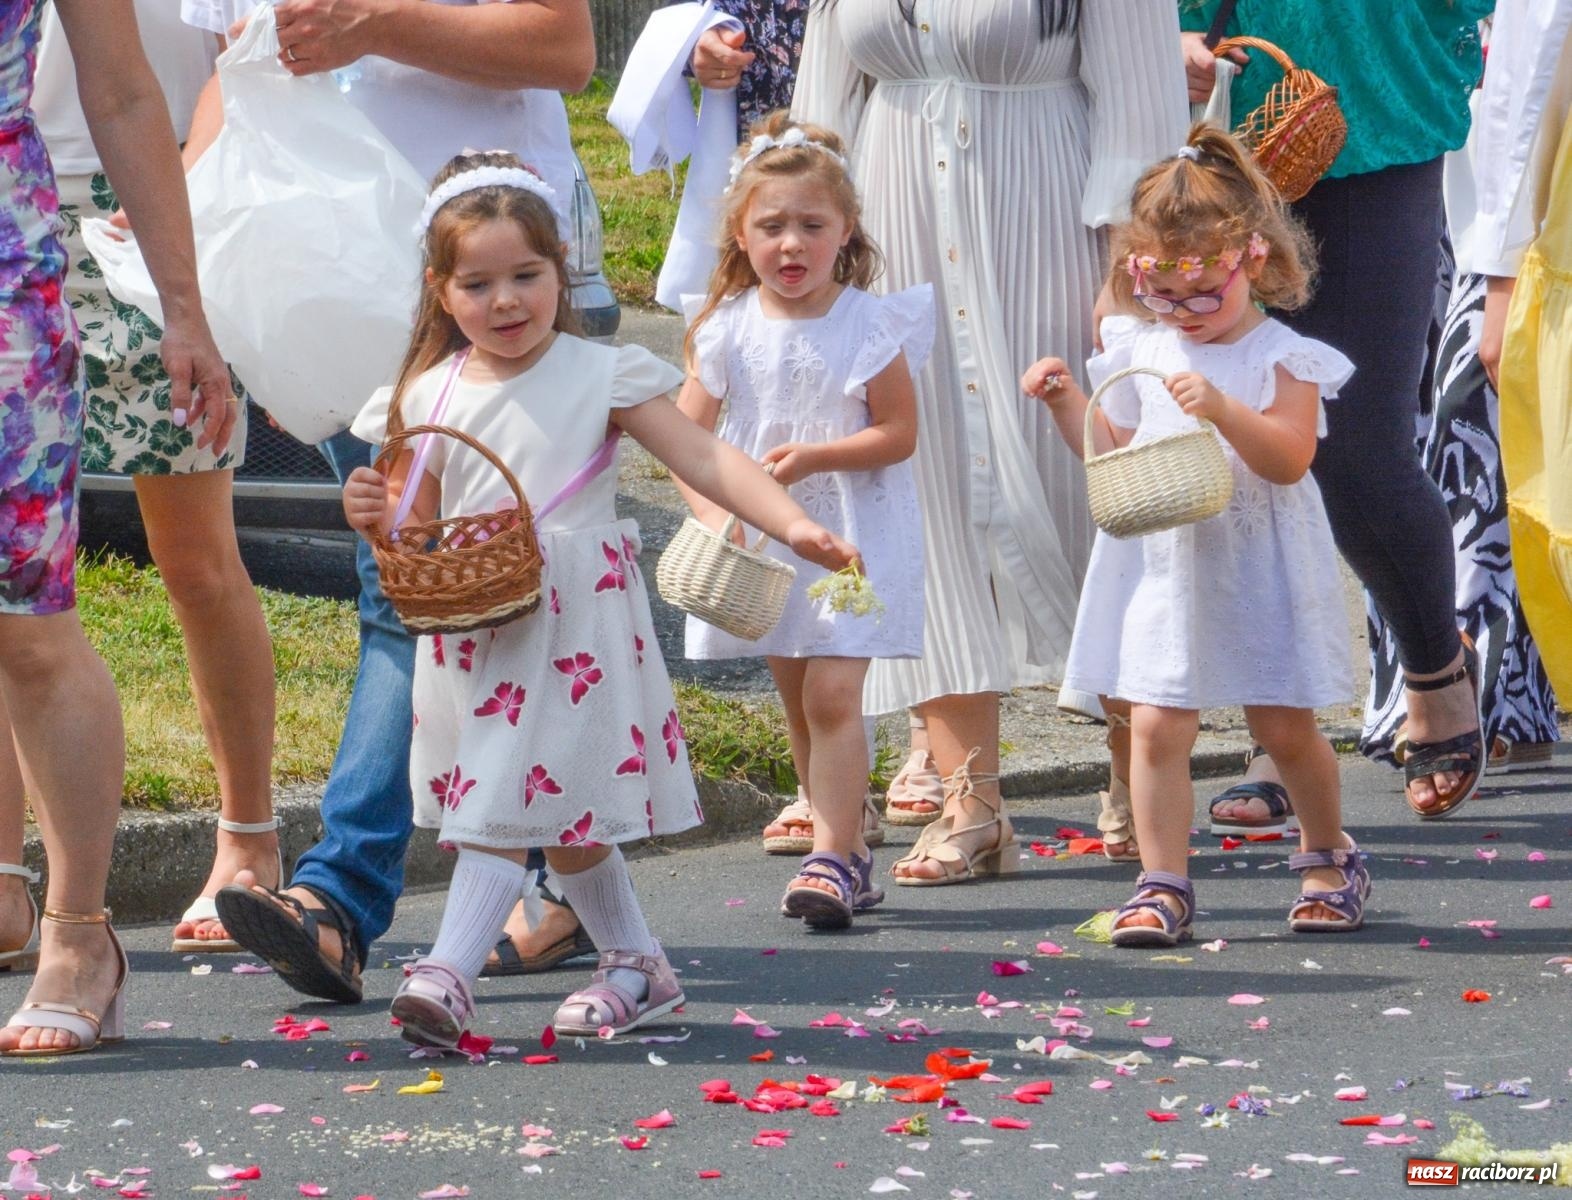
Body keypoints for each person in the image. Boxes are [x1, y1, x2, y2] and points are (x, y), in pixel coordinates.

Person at [336, 153, 857, 1044]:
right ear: (441, 289)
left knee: (500, 799)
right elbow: (415, 523)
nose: (506, 300)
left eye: (526, 276)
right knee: (555, 810)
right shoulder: (429, 390)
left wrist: (793, 526)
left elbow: (705, 458)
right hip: (477, 627)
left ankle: (447, 973)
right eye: (479, 282)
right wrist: (375, 512)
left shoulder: (599, 372)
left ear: (561, 266)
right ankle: (639, 966)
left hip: (569, 628)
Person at [184, 0, 599, 1001]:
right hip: (340, 287)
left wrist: (373, 26)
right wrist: (182, 208)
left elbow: (565, 47)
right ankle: (547, 873)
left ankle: (354, 893)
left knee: (463, 589)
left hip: (501, 280)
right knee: (416, 587)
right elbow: (236, 64)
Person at [792, 0, 1189, 885]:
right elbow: (818, 117)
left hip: (1050, 219)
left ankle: (1137, 760)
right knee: (922, 493)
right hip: (896, 232)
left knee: (1089, 482)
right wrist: (804, 252)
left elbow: (1144, 110)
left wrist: (1131, 270)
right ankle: (970, 800)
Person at [1024, 125, 1366, 947]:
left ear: (1251, 258)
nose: (1184, 314)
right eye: (1164, 296)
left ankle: (1328, 854)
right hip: (1167, 563)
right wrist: (1068, 400)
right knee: (1155, 724)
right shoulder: (1143, 345)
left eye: (1202, 295)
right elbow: (1110, 452)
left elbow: (1287, 460)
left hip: (1256, 556)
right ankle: (1163, 881)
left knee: (1283, 725)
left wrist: (1224, 409)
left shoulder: (1284, 355)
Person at [0, 0, 281, 958]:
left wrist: (187, 294)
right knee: (8, 603)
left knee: (194, 557)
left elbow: (231, 66)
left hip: (152, 200)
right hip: (39, 189)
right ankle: (5, 882)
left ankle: (248, 836)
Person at [1179, 0, 1496, 828]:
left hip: (1377, 106)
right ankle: (1276, 734)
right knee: (1245, 448)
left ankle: (1434, 667)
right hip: (1217, 119)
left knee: (1352, 444)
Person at [675, 114, 931, 928]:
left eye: (811, 226)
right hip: (764, 549)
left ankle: (831, 858)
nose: (792, 245)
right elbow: (688, 443)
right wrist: (721, 518)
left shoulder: (868, 322)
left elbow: (898, 432)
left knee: (831, 695)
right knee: (797, 701)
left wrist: (817, 457)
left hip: (850, 536)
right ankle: (843, 842)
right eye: (772, 227)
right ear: (741, 235)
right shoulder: (725, 326)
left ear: (845, 230)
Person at [1361, 14, 1561, 776]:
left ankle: (1500, 695)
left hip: (1513, 195)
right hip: (1399, 161)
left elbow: (1532, 70)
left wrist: (1506, 270)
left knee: (1477, 434)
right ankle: (1419, 690)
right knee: (1399, 430)